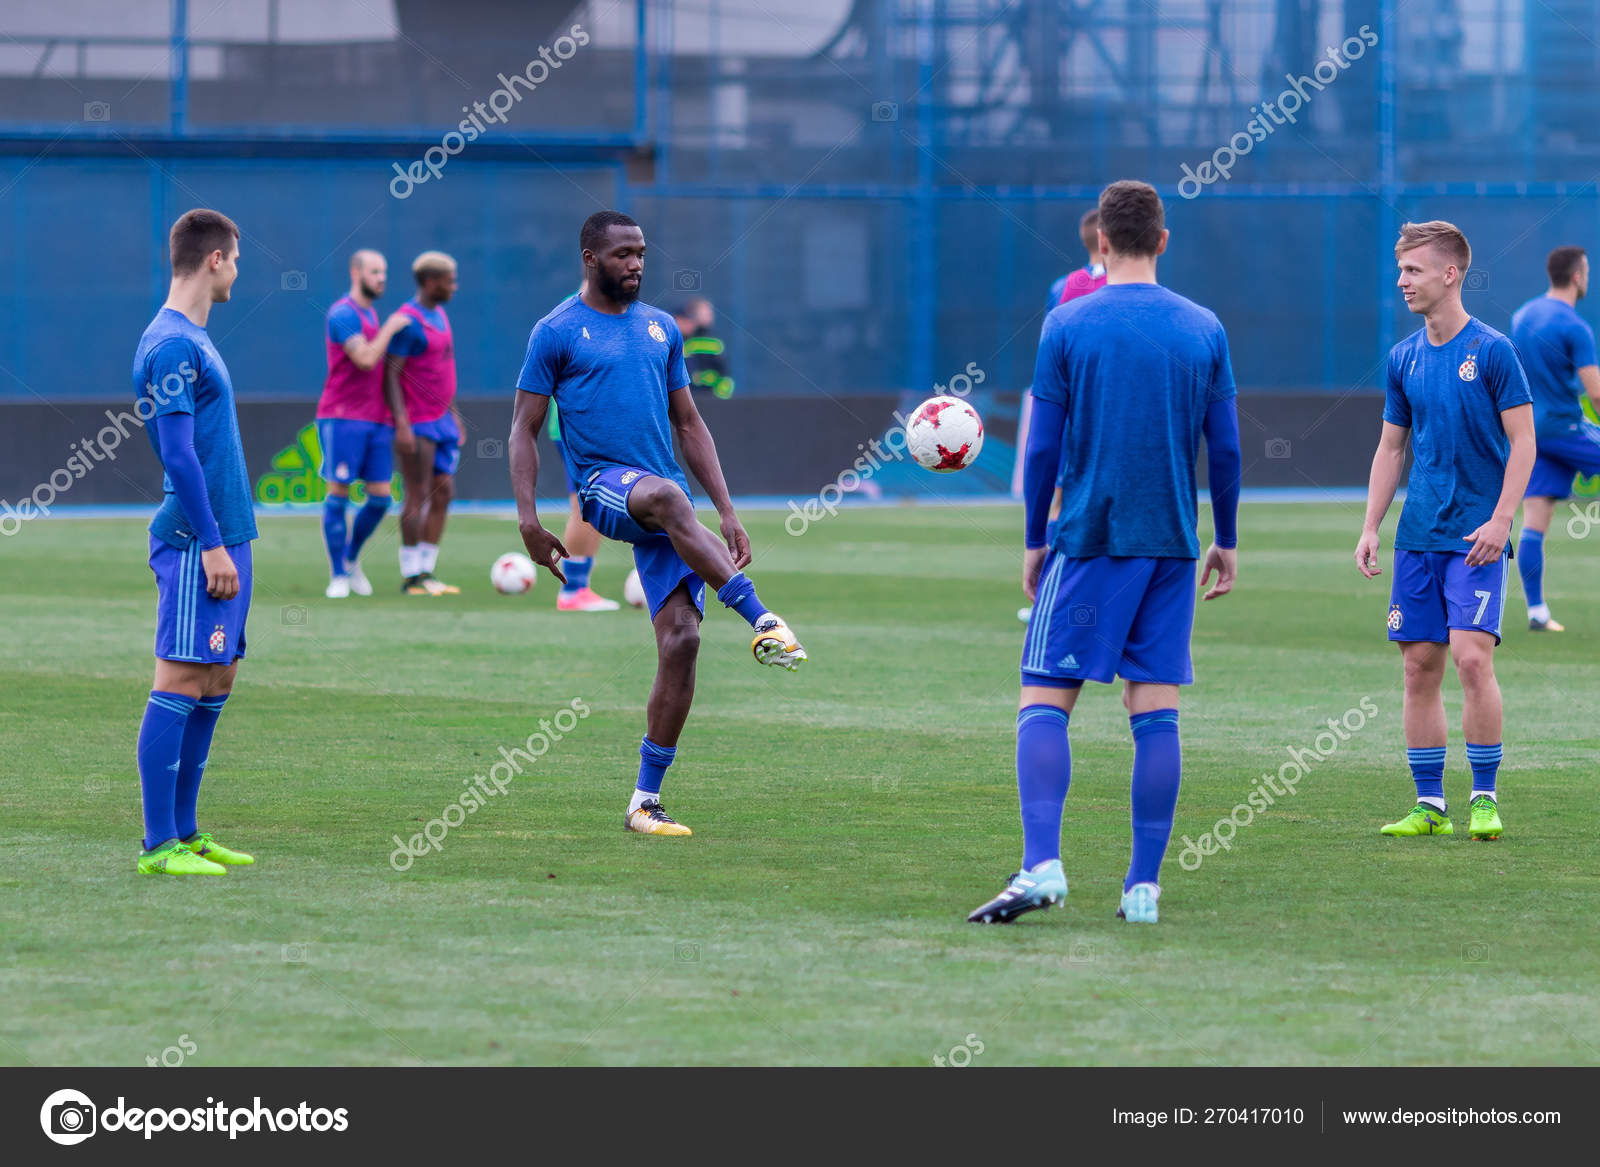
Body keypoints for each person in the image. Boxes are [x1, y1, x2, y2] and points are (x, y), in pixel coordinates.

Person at [969, 180, 1240, 927]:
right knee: (1154, 707)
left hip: (1091, 536)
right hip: (1173, 544)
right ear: (1162, 239)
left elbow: (1045, 447)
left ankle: (1043, 864)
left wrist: (1033, 538)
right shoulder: (1203, 326)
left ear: (1100, 243)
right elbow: (1227, 447)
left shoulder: (1068, 321)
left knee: (1043, 697)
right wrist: (1228, 538)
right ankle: (1143, 887)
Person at [510, 210, 806, 838]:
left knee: (683, 643)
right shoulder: (556, 332)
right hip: (603, 489)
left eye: (641, 252)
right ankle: (764, 620)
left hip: (661, 500)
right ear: (590, 258)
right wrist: (529, 520)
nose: (637, 263)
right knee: (671, 498)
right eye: (622, 254)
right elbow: (523, 430)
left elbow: (691, 424)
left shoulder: (660, 328)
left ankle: (644, 802)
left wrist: (725, 510)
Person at [1355, 220, 1535, 843]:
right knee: (1419, 667)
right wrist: (1371, 525)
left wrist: (1502, 518)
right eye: (1400, 270)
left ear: (1450, 273)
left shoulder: (1493, 351)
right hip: (1418, 537)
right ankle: (1430, 806)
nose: (1402, 281)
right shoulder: (1403, 357)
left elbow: (1524, 441)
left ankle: (1483, 797)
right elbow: (1389, 448)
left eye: (1413, 270)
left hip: (1476, 538)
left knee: (1470, 657)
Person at [130, 208, 259, 876]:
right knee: (180, 676)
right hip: (194, 539)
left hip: (229, 536)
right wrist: (210, 543)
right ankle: (159, 845)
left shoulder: (194, 338)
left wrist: (229, 540)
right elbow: (179, 456)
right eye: (236, 257)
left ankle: (187, 831)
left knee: (215, 680)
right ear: (215, 259)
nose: (238, 268)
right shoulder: (173, 343)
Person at [1019, 209, 1109, 622]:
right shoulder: (1131, 284)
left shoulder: (1064, 287)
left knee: (1059, 498)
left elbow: (1050, 354)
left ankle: (1052, 596)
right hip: (1118, 411)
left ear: (1087, 239)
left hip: (1072, 411)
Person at [1510, 245, 1600, 631]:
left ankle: (1537, 613)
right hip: (1565, 427)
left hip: (1532, 433)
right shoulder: (1574, 326)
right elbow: (1595, 392)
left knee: (1535, 520)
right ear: (1578, 276)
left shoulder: (1522, 315)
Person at [316, 250, 409, 598]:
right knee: (338, 494)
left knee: (381, 499)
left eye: (384, 271)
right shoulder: (343, 314)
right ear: (355, 273)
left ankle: (352, 559)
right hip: (342, 417)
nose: (381, 278)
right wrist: (390, 328)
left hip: (377, 419)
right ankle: (337, 573)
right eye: (374, 271)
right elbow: (367, 359)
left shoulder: (370, 314)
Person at [385, 251, 463, 595]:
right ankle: (411, 576)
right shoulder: (408, 322)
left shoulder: (440, 314)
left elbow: (442, 369)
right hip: (417, 421)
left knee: (445, 492)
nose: (455, 287)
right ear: (431, 283)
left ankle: (427, 572)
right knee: (417, 494)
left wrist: (455, 413)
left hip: (442, 419)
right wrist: (401, 423)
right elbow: (391, 374)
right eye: (450, 281)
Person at [672, 297, 735, 399]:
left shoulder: (715, 344)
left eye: (710, 313)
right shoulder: (678, 343)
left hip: (712, 400)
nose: (710, 317)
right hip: (691, 401)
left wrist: (721, 398)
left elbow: (724, 375)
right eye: (706, 313)